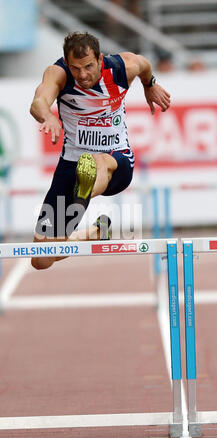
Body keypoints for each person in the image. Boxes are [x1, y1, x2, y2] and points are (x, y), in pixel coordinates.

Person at [30, 31, 171, 270]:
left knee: (97, 162)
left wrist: (150, 84)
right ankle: (95, 232)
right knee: (41, 259)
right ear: (66, 63)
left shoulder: (121, 67)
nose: (82, 75)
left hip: (117, 161)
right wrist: (48, 117)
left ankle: (85, 189)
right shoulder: (59, 73)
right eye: (75, 68)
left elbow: (144, 65)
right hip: (71, 165)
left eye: (88, 66)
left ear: (100, 59)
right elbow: (38, 102)